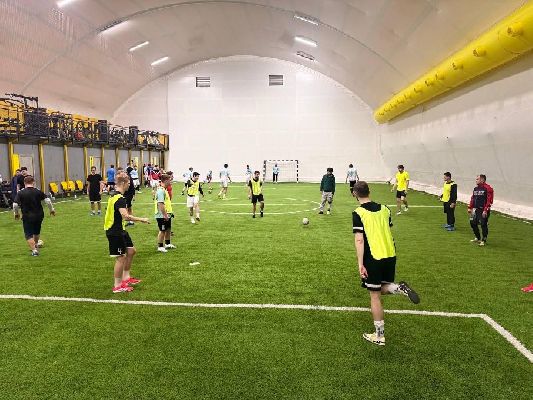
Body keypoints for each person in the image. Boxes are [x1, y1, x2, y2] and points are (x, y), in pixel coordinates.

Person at [352, 181, 420, 346]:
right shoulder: (385, 209)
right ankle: (399, 288)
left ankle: (379, 335)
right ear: (369, 191)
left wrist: (360, 263)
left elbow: (359, 240)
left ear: (355, 194)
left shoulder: (358, 212)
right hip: (390, 254)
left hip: (373, 256)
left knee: (374, 295)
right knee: (379, 288)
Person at [104, 173, 150, 293]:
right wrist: (141, 219)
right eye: (128, 183)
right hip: (114, 231)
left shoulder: (116, 196)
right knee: (121, 258)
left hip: (121, 230)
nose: (130, 185)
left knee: (131, 251)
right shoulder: (119, 199)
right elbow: (126, 216)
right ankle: (117, 286)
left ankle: (126, 278)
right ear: (123, 183)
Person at [13, 175, 56, 256]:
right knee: (36, 231)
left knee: (28, 234)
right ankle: (35, 245)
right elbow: (48, 201)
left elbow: (15, 205)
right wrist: (52, 210)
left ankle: (34, 250)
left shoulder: (21, 192)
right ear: (33, 182)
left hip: (27, 216)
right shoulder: (38, 191)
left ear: (24, 183)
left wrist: (16, 213)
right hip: (39, 215)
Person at [468, 174, 494, 246]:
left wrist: (485, 210)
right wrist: (470, 207)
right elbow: (473, 198)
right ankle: (478, 237)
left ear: (482, 180)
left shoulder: (488, 188)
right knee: (472, 223)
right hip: (475, 209)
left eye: (477, 179)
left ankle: (483, 240)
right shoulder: (475, 189)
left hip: (483, 210)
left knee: (483, 224)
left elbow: (489, 200)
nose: (476, 180)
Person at [155, 174, 176, 252]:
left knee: (168, 229)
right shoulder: (160, 191)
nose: (171, 182)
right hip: (161, 215)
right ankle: (160, 246)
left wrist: (169, 213)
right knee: (162, 230)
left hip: (167, 214)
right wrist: (165, 215)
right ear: (166, 181)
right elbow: (160, 203)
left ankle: (167, 243)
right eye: (170, 180)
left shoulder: (164, 189)